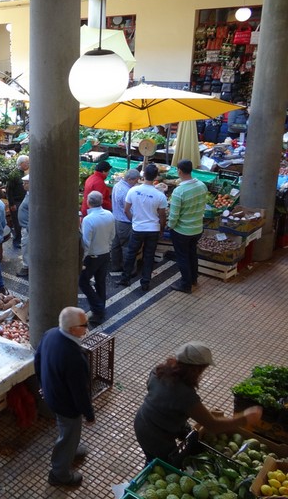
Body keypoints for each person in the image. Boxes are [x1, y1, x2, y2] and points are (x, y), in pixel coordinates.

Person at [134, 341, 262, 467]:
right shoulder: (185, 395)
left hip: (142, 419)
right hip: (154, 436)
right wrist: (244, 418)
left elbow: (157, 395)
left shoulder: (158, 371)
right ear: (196, 369)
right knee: (163, 464)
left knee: (187, 438)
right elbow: (213, 425)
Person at [34, 306, 94, 487]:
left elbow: (37, 359)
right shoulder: (74, 356)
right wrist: (89, 414)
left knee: (66, 429)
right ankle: (59, 474)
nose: (87, 327)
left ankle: (72, 449)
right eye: (85, 324)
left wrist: (42, 385)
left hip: (52, 394)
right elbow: (80, 392)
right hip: (66, 405)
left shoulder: (51, 334)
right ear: (73, 329)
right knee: (69, 432)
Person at [118, 164, 168, 291]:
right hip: (153, 229)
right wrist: (161, 229)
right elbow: (162, 216)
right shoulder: (160, 195)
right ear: (156, 176)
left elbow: (126, 210)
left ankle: (125, 278)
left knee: (131, 253)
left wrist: (133, 220)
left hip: (138, 228)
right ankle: (145, 282)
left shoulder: (133, 191)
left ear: (143, 175)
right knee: (149, 256)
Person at [168, 159, 208, 293]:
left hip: (182, 231)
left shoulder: (179, 191)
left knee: (182, 257)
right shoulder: (202, 185)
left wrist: (170, 226)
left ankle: (185, 284)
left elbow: (174, 216)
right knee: (192, 254)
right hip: (197, 229)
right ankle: (193, 278)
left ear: (179, 171)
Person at [79, 192, 116, 326]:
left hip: (92, 256)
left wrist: (81, 260)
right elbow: (113, 235)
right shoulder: (109, 215)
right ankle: (100, 310)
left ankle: (98, 307)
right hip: (105, 253)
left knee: (83, 282)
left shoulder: (88, 219)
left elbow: (86, 243)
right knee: (100, 281)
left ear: (88, 202)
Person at [110, 169, 141, 272]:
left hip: (116, 220)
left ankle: (115, 265)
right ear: (129, 179)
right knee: (128, 246)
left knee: (116, 245)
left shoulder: (117, 185)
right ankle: (129, 269)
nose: (136, 183)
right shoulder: (126, 192)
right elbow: (128, 210)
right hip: (125, 223)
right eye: (136, 180)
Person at [7, 155, 29, 249]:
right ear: (21, 163)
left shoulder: (22, 173)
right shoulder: (14, 174)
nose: (28, 164)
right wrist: (11, 204)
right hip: (16, 202)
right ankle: (16, 240)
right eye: (27, 162)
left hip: (22, 200)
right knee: (16, 223)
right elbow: (9, 190)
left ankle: (19, 239)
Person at [16, 174, 30, 278]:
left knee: (26, 247)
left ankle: (26, 267)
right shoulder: (28, 193)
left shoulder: (32, 196)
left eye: (26, 183)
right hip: (25, 227)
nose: (23, 185)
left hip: (27, 228)